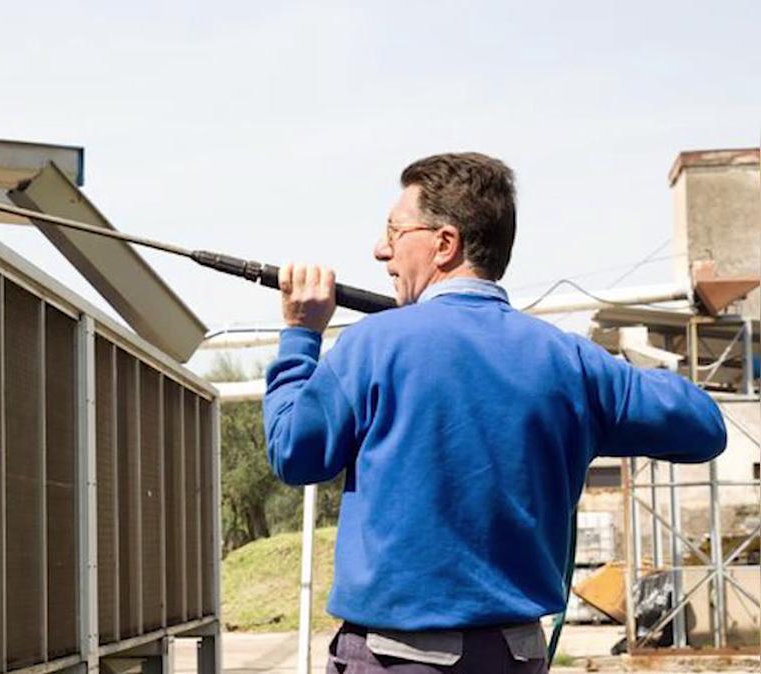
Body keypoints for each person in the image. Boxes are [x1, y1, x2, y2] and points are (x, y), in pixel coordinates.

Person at [263, 152, 727, 673]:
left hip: (396, 661)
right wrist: (584, 400)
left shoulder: (373, 344)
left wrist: (301, 334)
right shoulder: (566, 359)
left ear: (445, 243)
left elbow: (293, 452)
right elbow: (704, 428)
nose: (380, 250)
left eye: (394, 232)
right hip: (516, 658)